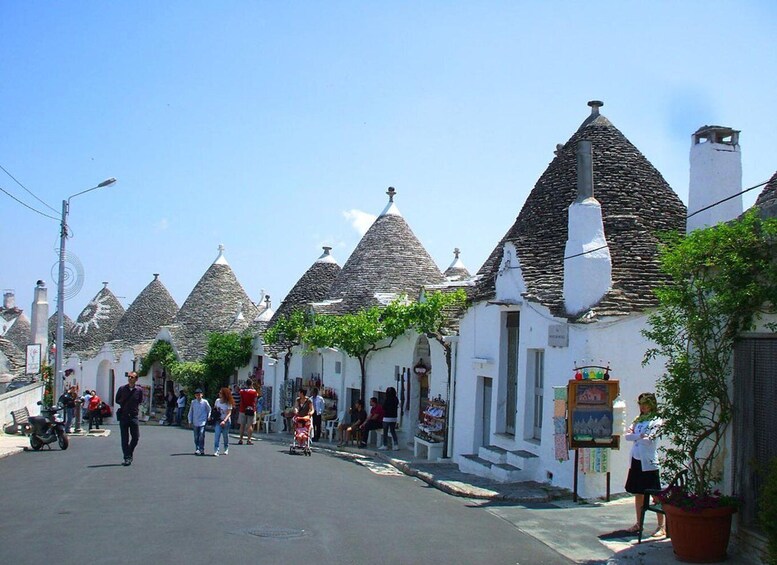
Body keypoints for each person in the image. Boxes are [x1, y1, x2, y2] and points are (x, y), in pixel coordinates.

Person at [624, 392, 665, 537]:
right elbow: (627, 436)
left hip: (648, 461)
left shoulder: (656, 420)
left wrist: (638, 437)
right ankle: (639, 523)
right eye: (641, 403)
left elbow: (650, 439)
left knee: (655, 494)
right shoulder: (638, 420)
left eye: (646, 403)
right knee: (638, 493)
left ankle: (661, 525)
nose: (643, 406)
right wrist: (639, 436)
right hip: (636, 459)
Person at [115, 372, 144, 466]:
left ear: (136, 379)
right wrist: (123, 403)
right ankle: (127, 457)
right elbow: (117, 400)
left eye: (132, 377)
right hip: (123, 415)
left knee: (136, 437)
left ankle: (129, 453)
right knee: (124, 438)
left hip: (133, 416)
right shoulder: (122, 389)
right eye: (129, 377)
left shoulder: (139, 390)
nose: (130, 378)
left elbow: (140, 400)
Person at [188, 388, 211, 455]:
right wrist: (190, 420)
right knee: (196, 436)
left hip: (202, 421)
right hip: (195, 421)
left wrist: (209, 416)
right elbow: (191, 412)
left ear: (202, 395)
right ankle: (197, 448)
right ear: (195, 396)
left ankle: (201, 449)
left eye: (199, 394)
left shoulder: (205, 402)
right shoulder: (193, 402)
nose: (198, 396)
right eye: (197, 395)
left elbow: (209, 409)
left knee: (201, 434)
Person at [213, 387, 234, 456]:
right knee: (217, 435)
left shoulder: (228, 403)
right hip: (218, 421)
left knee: (225, 436)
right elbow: (215, 409)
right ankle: (216, 450)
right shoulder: (217, 401)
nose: (219, 394)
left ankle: (226, 447)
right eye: (219, 393)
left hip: (226, 421)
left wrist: (224, 421)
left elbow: (229, 413)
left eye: (221, 393)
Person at [237, 379, 258, 445]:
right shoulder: (254, 392)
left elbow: (240, 397)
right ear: (251, 384)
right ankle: (249, 439)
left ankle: (240, 439)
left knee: (242, 425)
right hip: (251, 409)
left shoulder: (242, 391)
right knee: (250, 425)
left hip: (242, 409)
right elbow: (256, 399)